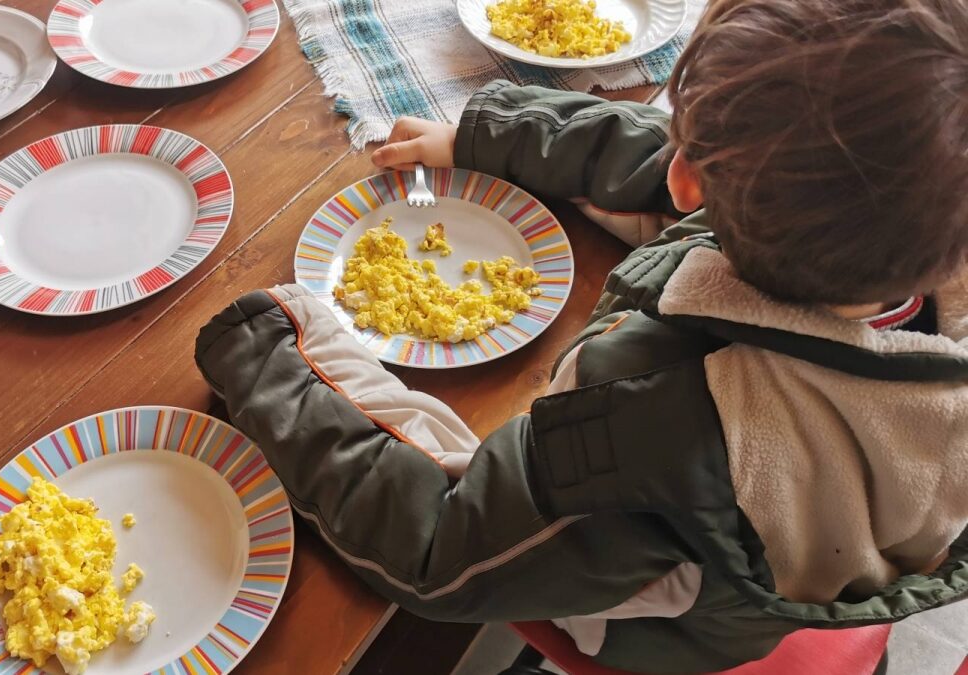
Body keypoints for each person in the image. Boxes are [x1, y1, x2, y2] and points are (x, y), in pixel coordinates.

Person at [194, 0, 968, 671]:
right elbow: (652, 157)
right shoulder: (922, 240)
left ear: (690, 177)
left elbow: (435, 549)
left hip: (663, 623)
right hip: (789, 560)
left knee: (448, 502)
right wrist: (482, 135)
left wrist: (267, 348)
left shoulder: (655, 425)